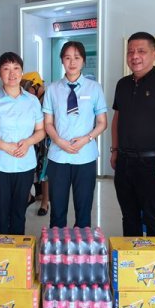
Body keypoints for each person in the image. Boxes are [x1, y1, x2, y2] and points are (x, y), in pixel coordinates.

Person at [110, 31, 155, 237]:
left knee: (153, 216)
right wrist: (115, 150)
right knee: (129, 216)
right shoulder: (122, 84)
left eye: (141, 51)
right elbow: (117, 118)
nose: (135, 56)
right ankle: (132, 256)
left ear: (154, 54)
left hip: (152, 163)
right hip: (124, 161)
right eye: (130, 52)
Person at [0, 52, 45, 235]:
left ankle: (18, 251)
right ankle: (0, 251)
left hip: (24, 165)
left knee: (19, 213)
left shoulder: (32, 101)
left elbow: (41, 131)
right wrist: (5, 146)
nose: (12, 73)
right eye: (6, 69)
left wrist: (28, 142)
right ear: (0, 73)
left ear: (22, 72)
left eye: (16, 68)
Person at [43, 41, 107, 228]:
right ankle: (58, 245)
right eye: (67, 58)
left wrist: (87, 139)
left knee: (84, 210)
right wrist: (59, 141)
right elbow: (48, 123)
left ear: (83, 61)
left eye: (77, 58)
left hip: (85, 156)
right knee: (57, 211)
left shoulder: (94, 88)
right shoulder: (52, 89)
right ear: (62, 61)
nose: (72, 62)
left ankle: (81, 246)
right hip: (58, 156)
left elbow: (102, 123)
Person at [20, 71, 50, 216]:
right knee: (33, 170)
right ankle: (31, 196)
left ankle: (45, 202)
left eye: (28, 88)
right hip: (32, 139)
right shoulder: (29, 100)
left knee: (44, 172)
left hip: (47, 141)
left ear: (37, 86)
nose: (26, 91)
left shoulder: (48, 98)